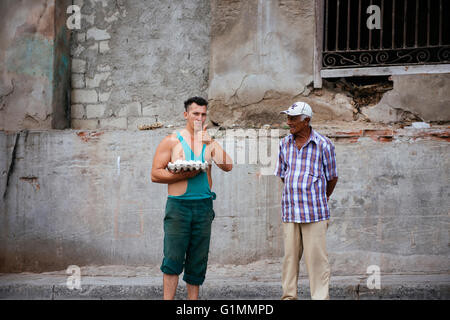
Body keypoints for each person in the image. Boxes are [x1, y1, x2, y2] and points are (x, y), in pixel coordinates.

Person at [151, 96, 233, 300]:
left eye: (204, 114)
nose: (200, 118)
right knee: (173, 258)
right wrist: (180, 175)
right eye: (196, 113)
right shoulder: (172, 140)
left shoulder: (208, 140)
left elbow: (228, 166)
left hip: (204, 206)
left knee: (198, 260)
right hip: (179, 207)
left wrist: (211, 142)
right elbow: (155, 173)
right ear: (186, 114)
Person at [274, 101, 338, 300]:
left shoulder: (324, 145)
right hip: (291, 212)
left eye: (293, 119)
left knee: (317, 261)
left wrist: (321, 196)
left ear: (306, 120)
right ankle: (289, 297)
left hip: (315, 212)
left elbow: (332, 177)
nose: (289, 122)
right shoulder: (284, 144)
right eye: (288, 118)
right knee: (290, 260)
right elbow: (284, 174)